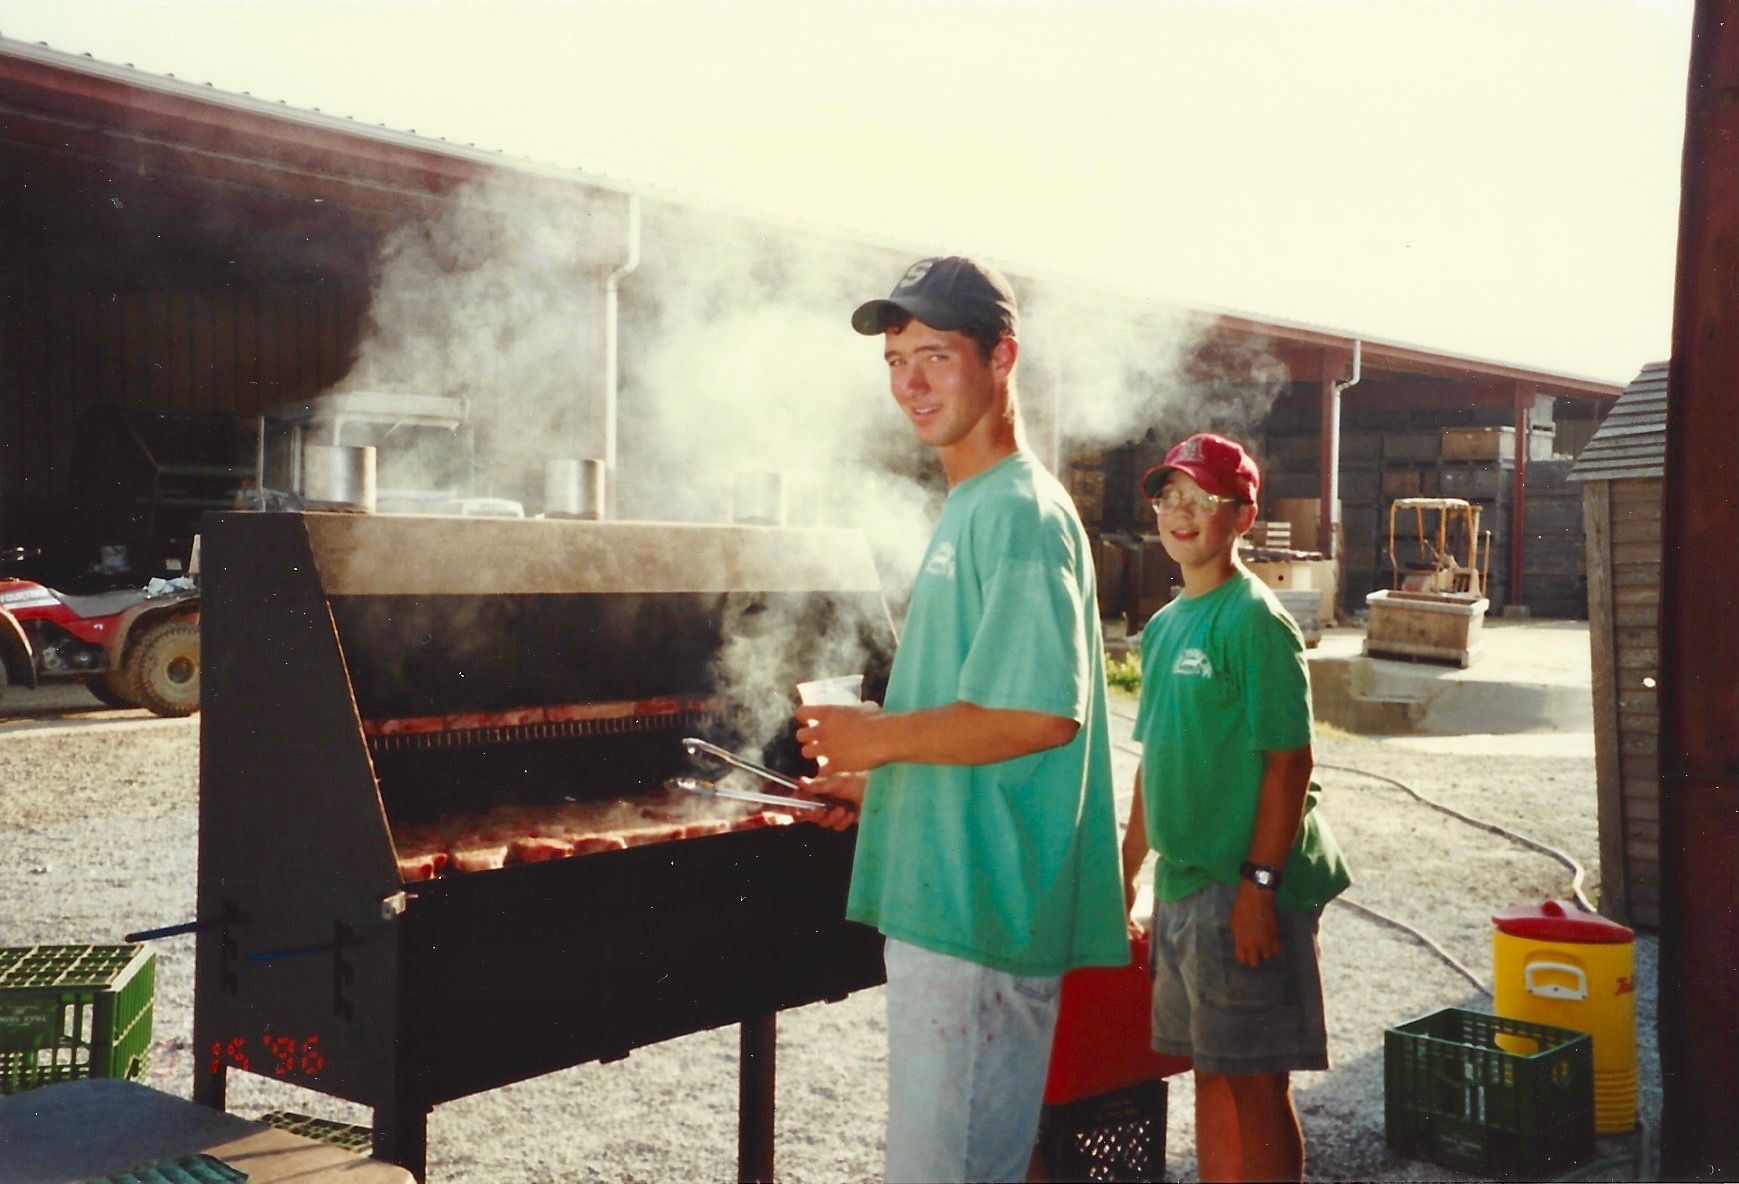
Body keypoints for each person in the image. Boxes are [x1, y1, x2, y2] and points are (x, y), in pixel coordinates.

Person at [793, 255, 1129, 1184]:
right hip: (950, 892)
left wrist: (876, 736)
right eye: (896, 359)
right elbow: (978, 711)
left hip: (982, 911)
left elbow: (1034, 714)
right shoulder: (971, 504)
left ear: (1001, 358)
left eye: (935, 355)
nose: (910, 382)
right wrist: (882, 784)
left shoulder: (1017, 511)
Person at [1120, 432, 1352, 1183]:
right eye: (1169, 498)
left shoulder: (1254, 621)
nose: (1180, 514)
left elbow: (1289, 763)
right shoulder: (1162, 627)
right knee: (1210, 1071)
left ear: (1243, 515)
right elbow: (1154, 760)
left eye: (1202, 499)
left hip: (1248, 886)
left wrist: (1257, 889)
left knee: (1255, 1081)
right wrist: (1126, 871)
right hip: (1185, 885)